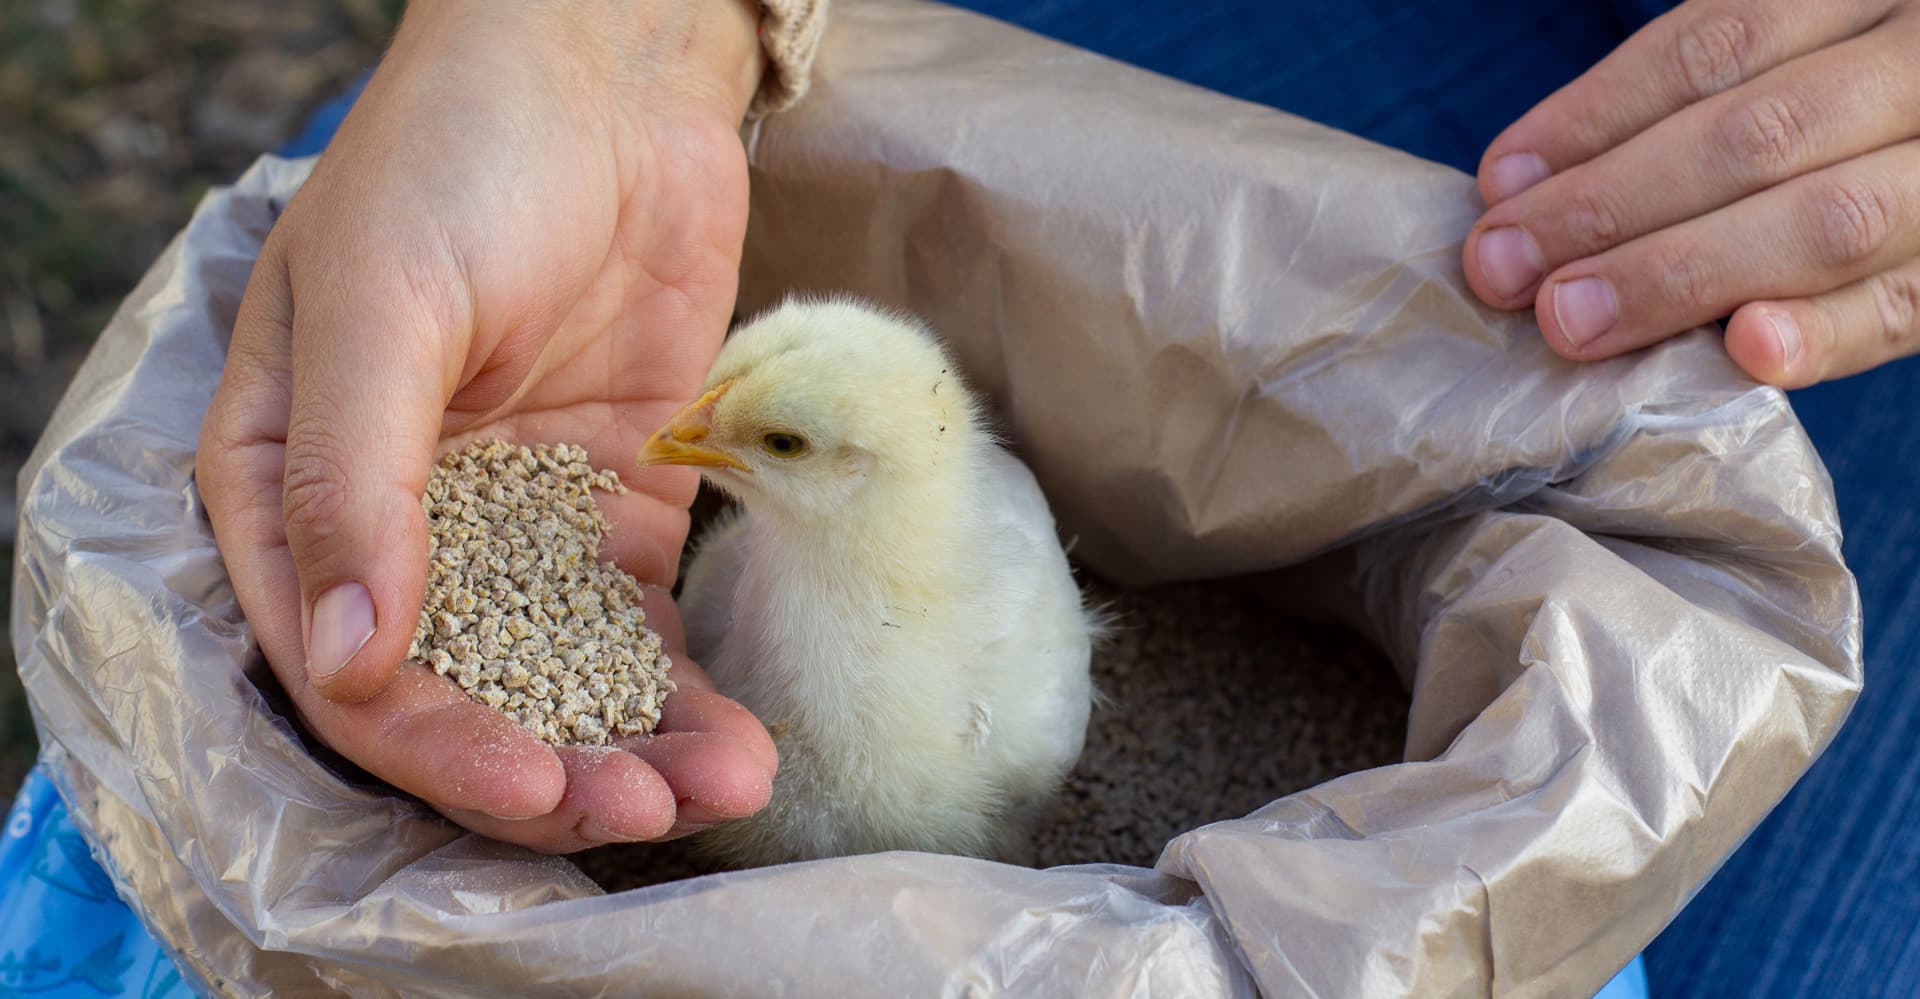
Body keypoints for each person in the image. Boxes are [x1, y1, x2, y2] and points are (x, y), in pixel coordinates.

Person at [191, 0, 1918, 992]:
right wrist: (604, 34)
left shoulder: (992, 662)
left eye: (766, 446)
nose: (690, 458)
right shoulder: (753, 585)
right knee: (360, 263)